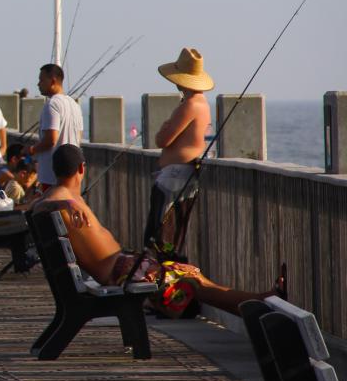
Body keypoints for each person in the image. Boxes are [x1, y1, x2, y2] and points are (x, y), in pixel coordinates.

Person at [34, 145, 283, 316]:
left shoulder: (63, 195)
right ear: (81, 169)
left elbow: (38, 206)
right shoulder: (62, 197)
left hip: (126, 269)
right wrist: (63, 203)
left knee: (192, 275)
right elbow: (38, 208)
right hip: (123, 275)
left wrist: (63, 202)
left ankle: (258, 302)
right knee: (192, 280)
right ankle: (259, 304)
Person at [146, 47, 215, 257]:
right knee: (174, 231)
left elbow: (162, 139)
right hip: (183, 176)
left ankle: (162, 274)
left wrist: (167, 123)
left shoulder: (190, 105)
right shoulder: (202, 103)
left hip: (174, 178)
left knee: (161, 233)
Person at [27, 64, 84, 190]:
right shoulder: (75, 105)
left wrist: (32, 150)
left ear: (52, 81)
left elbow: (51, 139)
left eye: (41, 80)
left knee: (54, 208)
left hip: (53, 175)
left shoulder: (52, 104)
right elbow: (79, 137)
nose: (38, 84)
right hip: (73, 173)